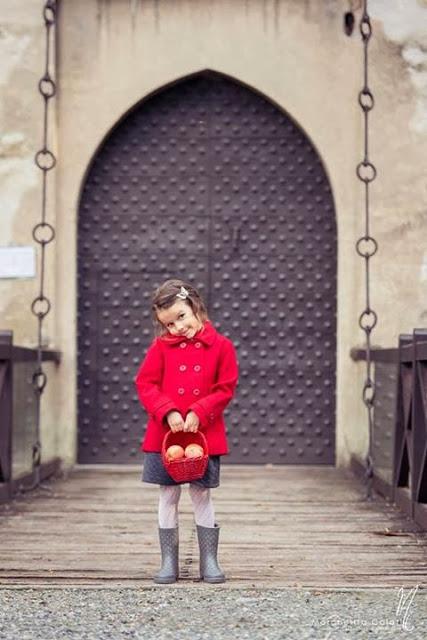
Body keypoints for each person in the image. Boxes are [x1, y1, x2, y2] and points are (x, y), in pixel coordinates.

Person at [134, 278, 239, 584]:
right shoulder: (160, 348)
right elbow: (145, 384)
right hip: (164, 435)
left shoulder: (222, 347)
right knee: (167, 493)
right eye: (168, 324)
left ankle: (209, 560)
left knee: (201, 493)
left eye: (181, 316)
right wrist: (166, 410)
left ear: (195, 306)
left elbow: (225, 387)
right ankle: (169, 561)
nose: (177, 327)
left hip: (203, 434)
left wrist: (200, 410)